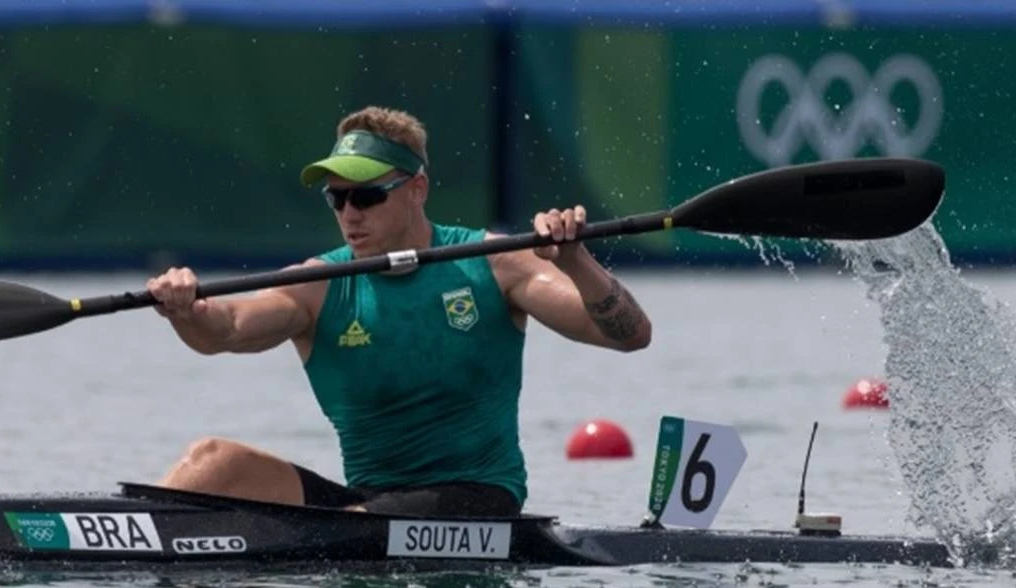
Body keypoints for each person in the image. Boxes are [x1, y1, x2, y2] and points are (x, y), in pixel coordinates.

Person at [145, 106, 651, 518]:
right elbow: (228, 328)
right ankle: (134, 539)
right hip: (367, 507)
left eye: (367, 196)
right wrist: (187, 308)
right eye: (337, 199)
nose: (350, 214)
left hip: (478, 499)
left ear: (417, 190)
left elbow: (629, 335)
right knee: (212, 461)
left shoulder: (494, 264)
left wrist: (575, 261)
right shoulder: (319, 285)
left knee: (358, 523)